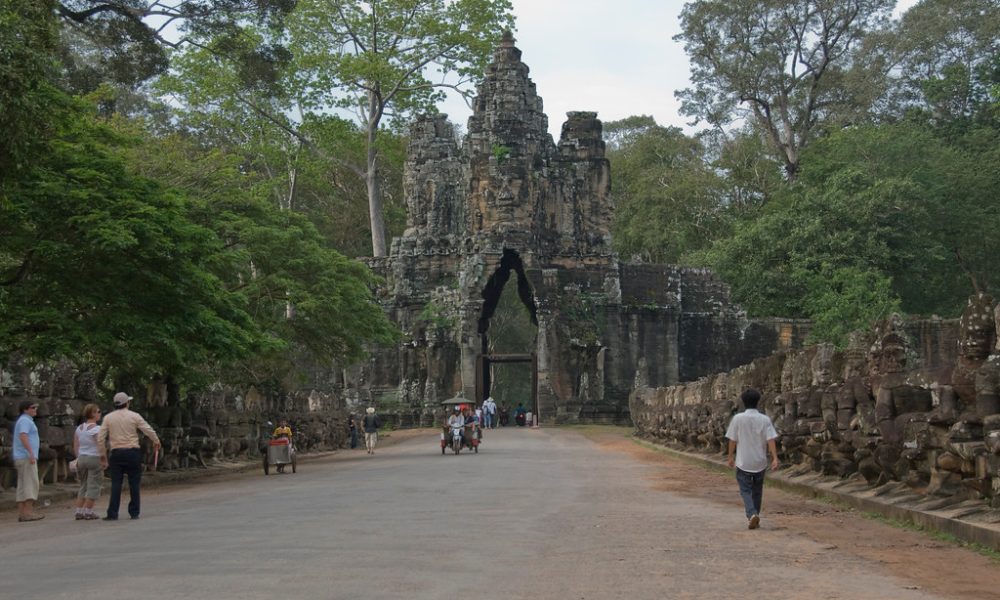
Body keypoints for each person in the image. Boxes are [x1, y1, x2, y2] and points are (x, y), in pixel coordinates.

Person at [98, 392, 161, 521]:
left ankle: (112, 512)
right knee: (134, 483)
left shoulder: (108, 418)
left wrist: (102, 454)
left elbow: (100, 438)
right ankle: (134, 512)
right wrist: (156, 440)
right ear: (127, 403)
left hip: (116, 452)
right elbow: (147, 429)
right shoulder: (134, 416)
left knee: (116, 483)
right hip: (132, 452)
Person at [725, 388, 780, 530]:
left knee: (745, 490)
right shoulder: (765, 419)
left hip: (743, 460)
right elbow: (771, 440)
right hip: (760, 461)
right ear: (758, 401)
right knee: (757, 490)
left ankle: (752, 513)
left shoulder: (738, 419)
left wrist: (730, 456)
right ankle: (755, 513)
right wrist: (775, 458)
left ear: (743, 402)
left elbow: (732, 439)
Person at [13, 400, 44, 522]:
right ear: (25, 409)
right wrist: (31, 453)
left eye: (36, 407)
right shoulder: (25, 421)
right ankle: (28, 512)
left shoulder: (23, 420)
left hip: (21, 457)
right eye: (32, 408)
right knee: (31, 484)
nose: (35, 409)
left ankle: (23, 513)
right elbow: (23, 436)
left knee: (22, 485)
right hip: (26, 457)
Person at [73, 404, 104, 520]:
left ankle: (79, 510)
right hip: (93, 458)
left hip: (82, 457)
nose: (100, 414)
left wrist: (78, 457)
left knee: (83, 485)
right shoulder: (96, 429)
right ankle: (88, 511)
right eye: (98, 412)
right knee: (94, 485)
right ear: (93, 414)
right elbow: (99, 444)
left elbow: (76, 445)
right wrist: (104, 457)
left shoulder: (79, 428)